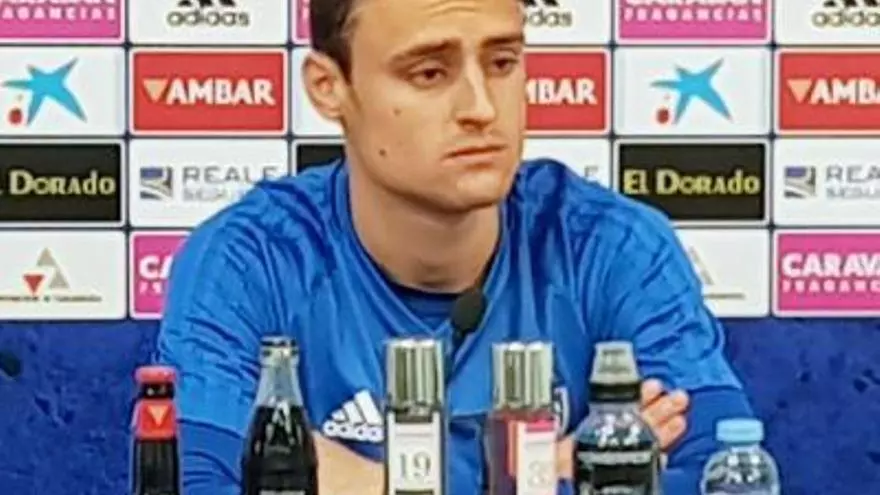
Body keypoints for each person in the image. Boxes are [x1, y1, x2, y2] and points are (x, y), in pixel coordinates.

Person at [153, 0, 755, 493]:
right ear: (329, 87)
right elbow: (195, 483)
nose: (481, 108)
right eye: (429, 73)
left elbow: (725, 474)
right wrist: (554, 476)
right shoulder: (247, 260)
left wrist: (359, 483)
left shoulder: (613, 246)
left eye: (502, 62)